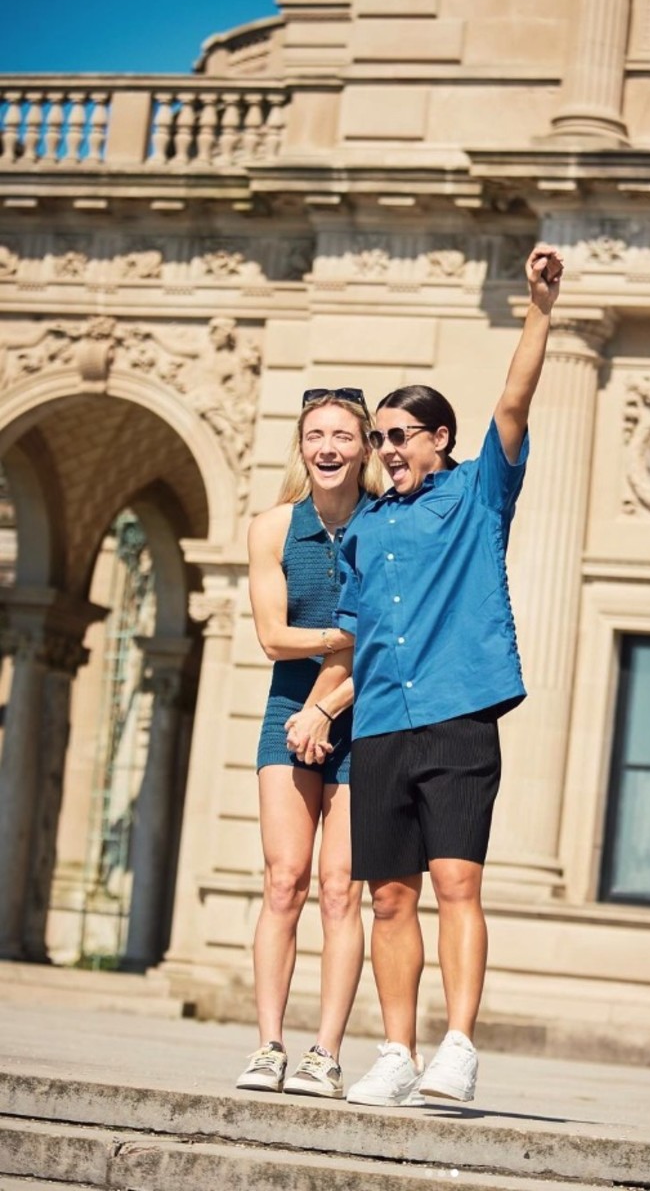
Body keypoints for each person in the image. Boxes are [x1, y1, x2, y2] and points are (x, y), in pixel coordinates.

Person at [295, 244, 563, 1107]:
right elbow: (358, 641)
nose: (384, 450)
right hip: (378, 729)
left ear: (439, 439)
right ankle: (398, 1053)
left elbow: (513, 400)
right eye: (377, 438)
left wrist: (540, 310)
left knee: (457, 883)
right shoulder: (367, 530)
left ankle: (458, 1047)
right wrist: (319, 706)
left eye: (396, 437)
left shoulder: (479, 493)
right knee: (390, 897)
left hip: (457, 716)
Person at [235, 386, 380, 1099]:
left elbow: (392, 647)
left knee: (338, 890)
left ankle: (325, 1053)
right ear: (302, 446)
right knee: (284, 880)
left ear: (365, 447)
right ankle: (268, 1046)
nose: (328, 447)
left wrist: (330, 702)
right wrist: (342, 640)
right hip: (287, 710)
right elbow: (271, 638)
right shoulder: (270, 528)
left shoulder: (387, 524)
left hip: (364, 716)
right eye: (316, 435)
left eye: (343, 436)